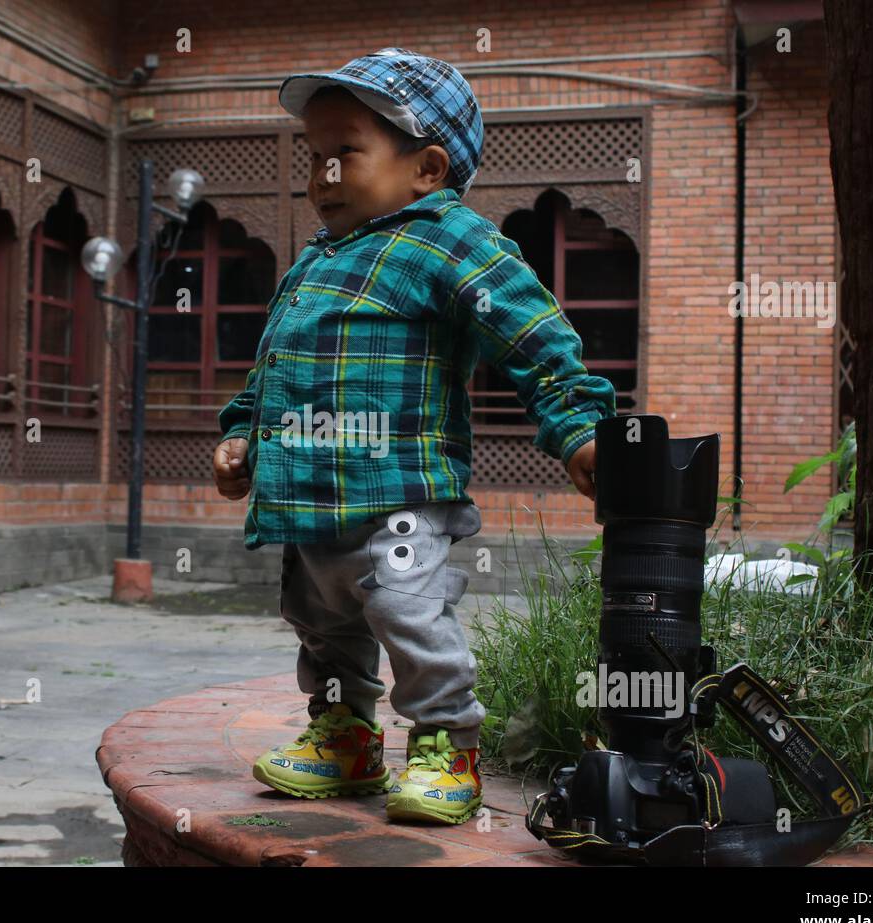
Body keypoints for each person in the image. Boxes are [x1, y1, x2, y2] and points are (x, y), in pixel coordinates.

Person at [213, 49, 616, 824]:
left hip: (400, 495)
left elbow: (533, 338)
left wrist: (579, 429)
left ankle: (445, 743)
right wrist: (241, 436)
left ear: (427, 167)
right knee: (321, 626)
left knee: (407, 614)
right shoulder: (311, 264)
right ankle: (344, 739)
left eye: (346, 153)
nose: (323, 173)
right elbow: (273, 369)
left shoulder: (449, 241)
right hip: (308, 500)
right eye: (315, 156)